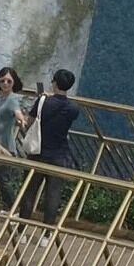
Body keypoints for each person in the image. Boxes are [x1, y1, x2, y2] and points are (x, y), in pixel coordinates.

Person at [29, 70, 82, 223]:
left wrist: (43, 98)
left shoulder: (43, 102)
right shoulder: (73, 109)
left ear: (54, 83)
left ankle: (21, 231)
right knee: (53, 194)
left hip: (38, 152)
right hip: (59, 155)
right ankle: (47, 234)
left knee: (29, 192)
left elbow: (30, 122)